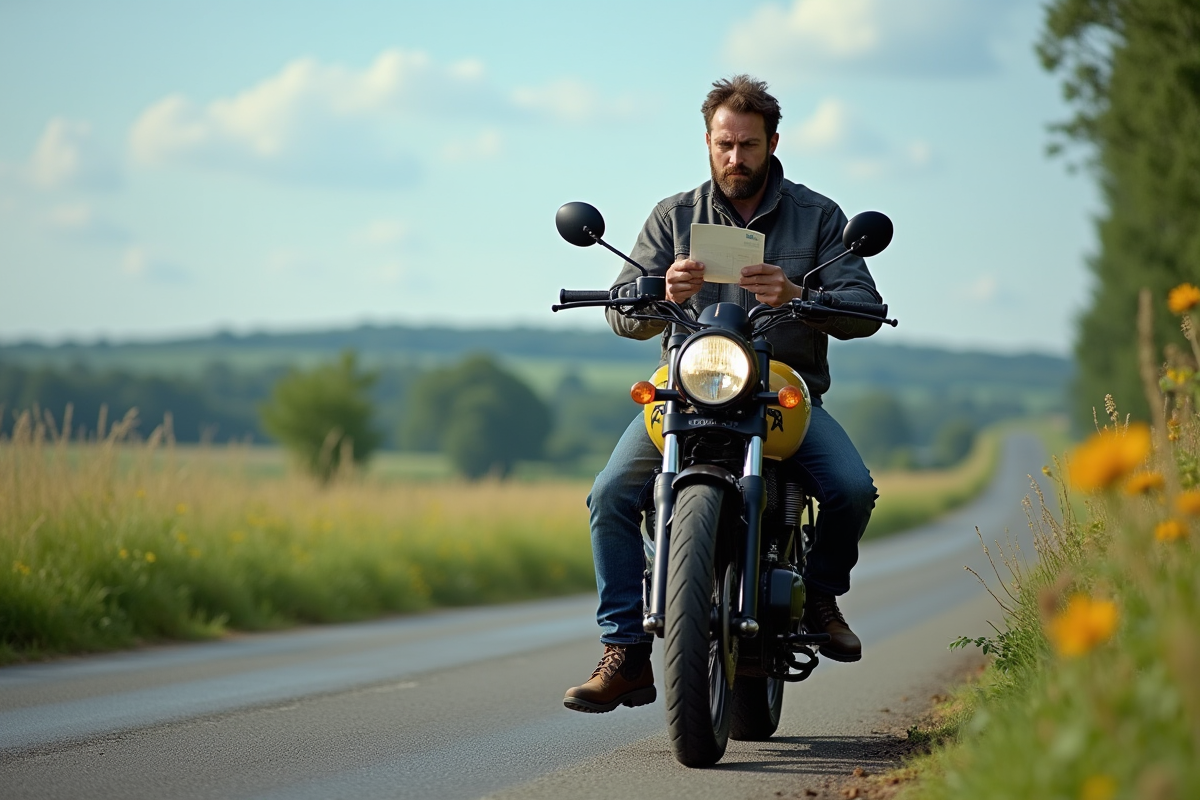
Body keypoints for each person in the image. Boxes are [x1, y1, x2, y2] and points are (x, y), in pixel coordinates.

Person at [563, 75, 884, 714]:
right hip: (684, 389)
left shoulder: (819, 216)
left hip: (780, 389)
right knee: (609, 494)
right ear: (707, 142)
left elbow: (865, 311)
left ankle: (820, 597)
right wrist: (663, 293)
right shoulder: (673, 215)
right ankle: (624, 651)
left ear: (773, 143)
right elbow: (622, 313)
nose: (736, 159)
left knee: (850, 488)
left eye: (749, 145)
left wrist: (799, 297)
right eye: (724, 144)